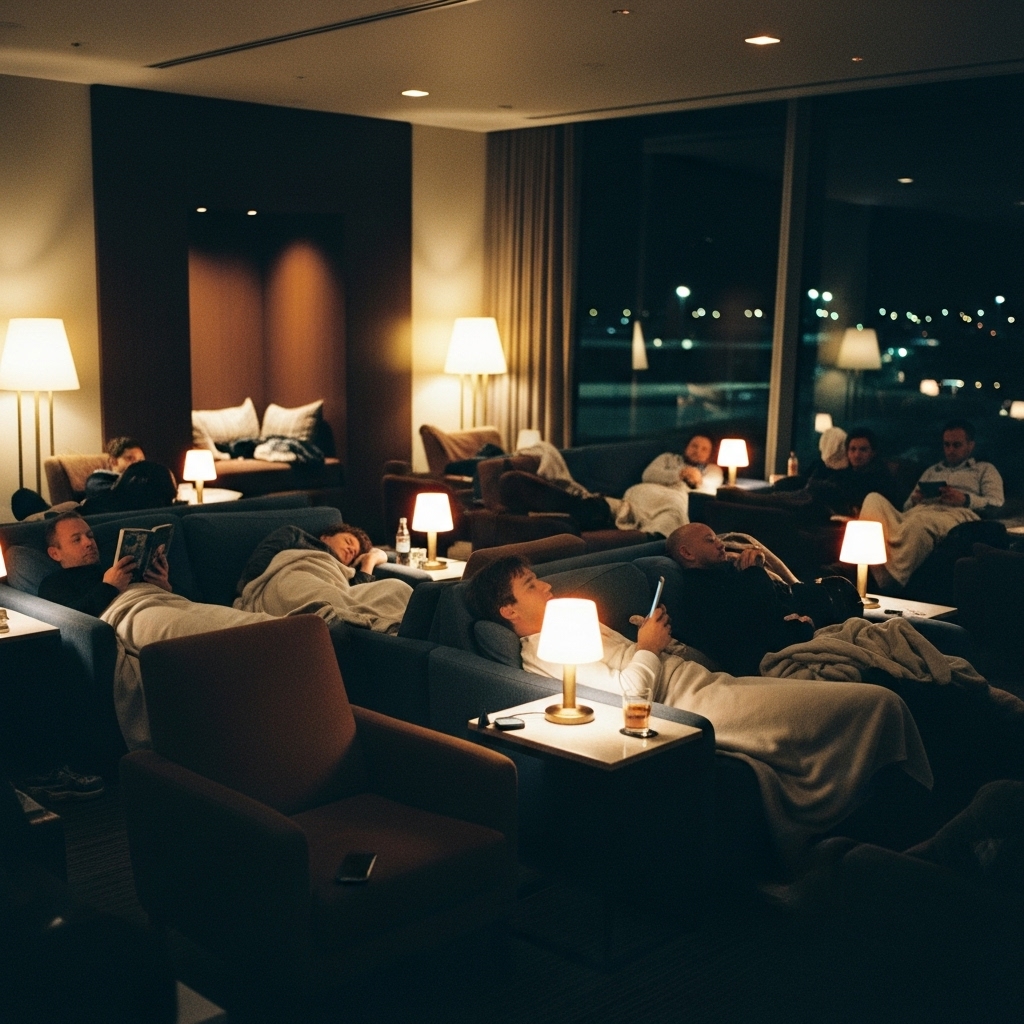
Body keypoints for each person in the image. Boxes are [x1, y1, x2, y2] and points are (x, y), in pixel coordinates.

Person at [465, 555, 933, 865]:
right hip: (696, 705)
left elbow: (650, 664)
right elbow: (630, 698)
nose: (547, 585)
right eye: (531, 585)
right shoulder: (545, 651)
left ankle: (887, 827)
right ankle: (918, 830)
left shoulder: (570, 623)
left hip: (713, 684)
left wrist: (659, 643)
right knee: (876, 703)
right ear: (509, 611)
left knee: (859, 698)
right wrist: (647, 648)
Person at [38, 511, 273, 749]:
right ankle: (278, 640)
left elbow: (189, 600)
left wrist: (164, 586)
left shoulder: (114, 567)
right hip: (129, 614)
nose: (89, 542)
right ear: (55, 553)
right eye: (76, 539)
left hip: (160, 599)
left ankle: (283, 627)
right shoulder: (54, 584)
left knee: (227, 617)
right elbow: (71, 619)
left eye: (89, 535)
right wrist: (109, 587)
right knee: (207, 632)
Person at [660, 523, 822, 676]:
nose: (721, 544)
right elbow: (761, 615)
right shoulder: (698, 590)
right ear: (687, 553)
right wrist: (754, 570)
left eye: (717, 539)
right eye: (710, 540)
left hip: (799, 609)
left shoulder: (724, 570)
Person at [859, 419, 1004, 590]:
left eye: (956, 445)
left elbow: (997, 503)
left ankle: (891, 582)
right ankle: (878, 570)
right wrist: (915, 500)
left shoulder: (985, 469)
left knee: (919, 523)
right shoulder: (932, 471)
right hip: (918, 511)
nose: (950, 450)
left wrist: (965, 499)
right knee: (873, 500)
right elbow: (906, 507)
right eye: (946, 444)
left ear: (970, 446)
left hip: (953, 514)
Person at [11, 436, 175, 522]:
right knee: (23, 497)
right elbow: (104, 499)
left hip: (80, 514)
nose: (137, 464)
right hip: (76, 511)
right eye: (130, 459)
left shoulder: (149, 477)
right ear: (113, 461)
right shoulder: (98, 479)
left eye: (140, 460)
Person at [807, 428, 903, 516]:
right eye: (853, 449)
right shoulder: (845, 472)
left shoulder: (880, 477)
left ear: (873, 453)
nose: (857, 455)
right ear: (847, 452)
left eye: (863, 450)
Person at [641, 433, 724, 495]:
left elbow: (710, 488)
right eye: (694, 446)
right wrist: (679, 474)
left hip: (678, 500)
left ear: (709, 455)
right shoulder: (667, 458)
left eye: (704, 449)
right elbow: (647, 475)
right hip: (652, 493)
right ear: (686, 447)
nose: (697, 452)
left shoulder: (713, 470)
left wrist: (697, 480)